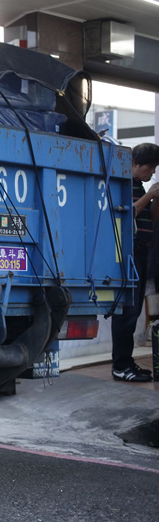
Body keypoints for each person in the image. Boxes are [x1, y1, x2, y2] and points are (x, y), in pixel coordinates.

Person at [111, 142, 159, 382]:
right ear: (135, 163)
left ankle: (127, 362)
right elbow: (127, 213)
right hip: (126, 255)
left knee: (134, 311)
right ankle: (120, 365)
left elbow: (151, 217)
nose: (152, 172)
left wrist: (155, 199)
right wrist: (150, 195)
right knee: (126, 313)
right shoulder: (123, 184)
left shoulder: (139, 186)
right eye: (150, 167)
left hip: (140, 254)